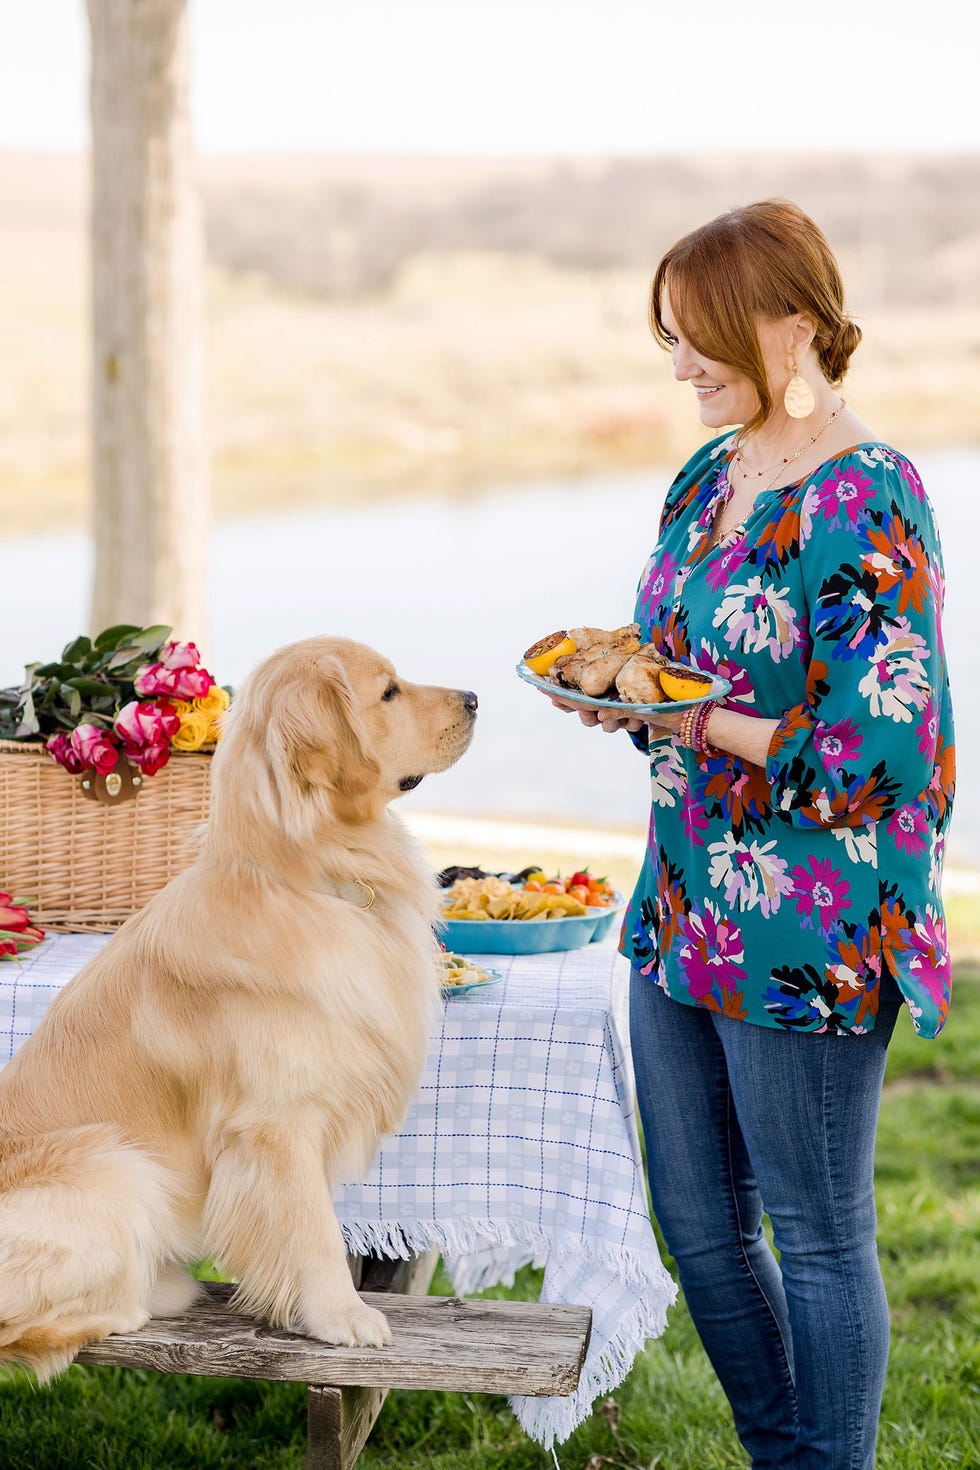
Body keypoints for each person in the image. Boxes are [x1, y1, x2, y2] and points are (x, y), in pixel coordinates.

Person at [547, 199, 955, 1469]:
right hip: (683, 901)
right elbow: (667, 666)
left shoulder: (867, 492)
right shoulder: (706, 476)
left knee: (815, 1233)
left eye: (695, 337)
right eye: (664, 338)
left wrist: (697, 720)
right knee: (698, 1226)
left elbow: (882, 749)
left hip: (813, 921)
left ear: (786, 324)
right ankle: (788, 1454)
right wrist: (620, 700)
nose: (675, 366)